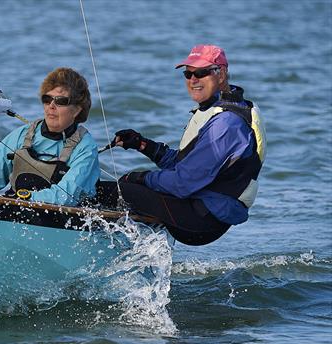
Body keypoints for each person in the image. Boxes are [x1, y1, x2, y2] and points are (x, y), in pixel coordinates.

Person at [97, 44, 266, 245]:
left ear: (221, 74)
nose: (193, 79)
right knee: (128, 188)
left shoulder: (226, 124)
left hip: (203, 219)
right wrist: (143, 145)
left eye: (202, 73)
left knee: (106, 190)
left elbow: (183, 182)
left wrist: (140, 177)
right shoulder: (221, 110)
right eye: (188, 74)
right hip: (200, 207)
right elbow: (184, 164)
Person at [0, 67, 99, 206]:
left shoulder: (85, 147)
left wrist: (26, 198)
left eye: (60, 101)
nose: (51, 106)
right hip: (18, 209)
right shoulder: (22, 135)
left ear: (77, 110)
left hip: (64, 219)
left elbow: (66, 196)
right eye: (47, 99)